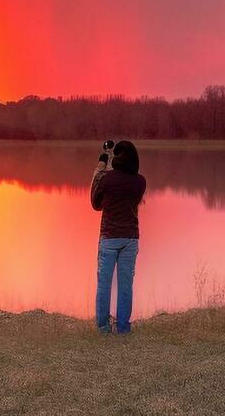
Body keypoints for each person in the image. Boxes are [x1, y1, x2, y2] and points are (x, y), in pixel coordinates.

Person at [90, 139, 146, 334]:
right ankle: (123, 327)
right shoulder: (140, 181)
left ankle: (103, 327)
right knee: (125, 285)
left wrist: (100, 166)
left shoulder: (106, 179)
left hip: (109, 237)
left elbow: (95, 203)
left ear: (116, 159)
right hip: (131, 237)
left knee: (104, 284)